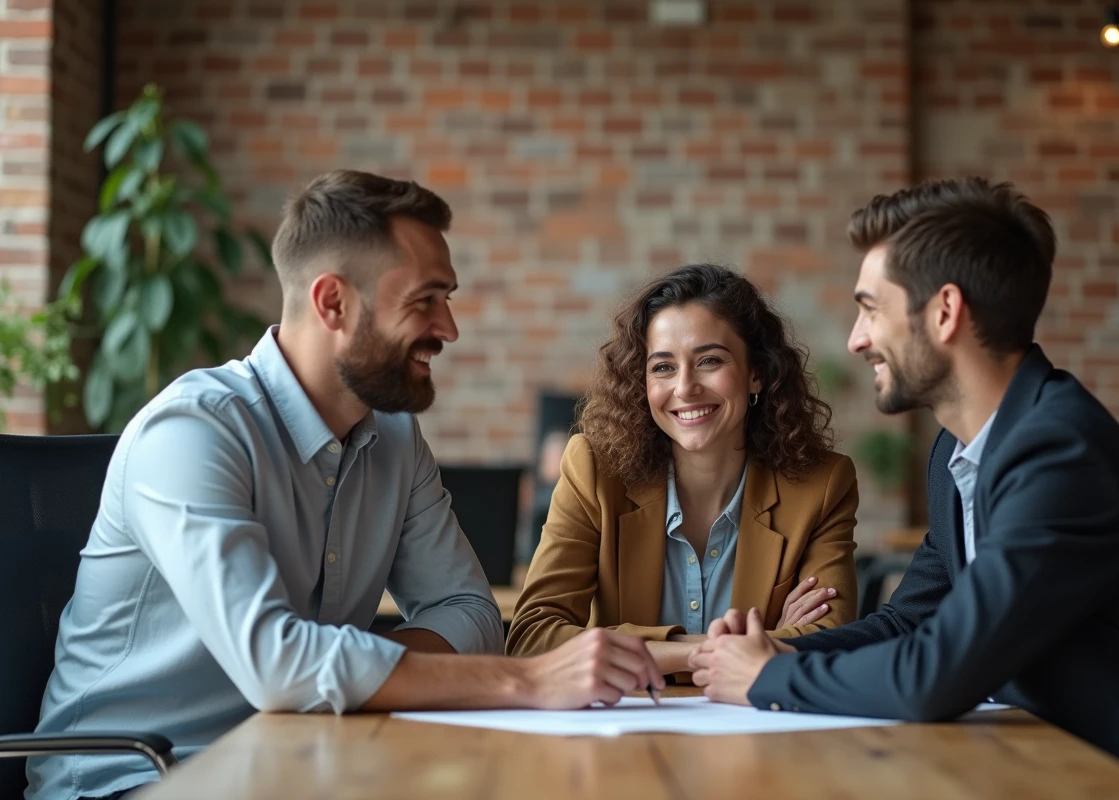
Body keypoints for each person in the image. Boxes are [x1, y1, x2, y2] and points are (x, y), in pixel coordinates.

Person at [28, 170, 663, 800]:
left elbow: (471, 616)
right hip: (136, 778)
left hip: (302, 762)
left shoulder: (392, 437)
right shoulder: (194, 433)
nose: (449, 327)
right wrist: (528, 683)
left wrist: (327, 667)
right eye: (424, 300)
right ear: (332, 302)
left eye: (448, 298)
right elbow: (278, 667)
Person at [689, 177, 1119, 773]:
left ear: (946, 312)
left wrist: (769, 677)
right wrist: (780, 648)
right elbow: (910, 620)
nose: (857, 340)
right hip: (1030, 752)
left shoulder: (1061, 456)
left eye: (871, 310)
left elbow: (934, 675)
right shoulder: (960, 450)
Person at [507, 264, 860, 676]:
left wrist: (616, 646)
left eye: (709, 360)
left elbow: (831, 642)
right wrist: (737, 647)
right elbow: (532, 639)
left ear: (756, 374)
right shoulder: (594, 470)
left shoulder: (821, 485)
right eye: (663, 367)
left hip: (756, 728)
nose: (685, 387)